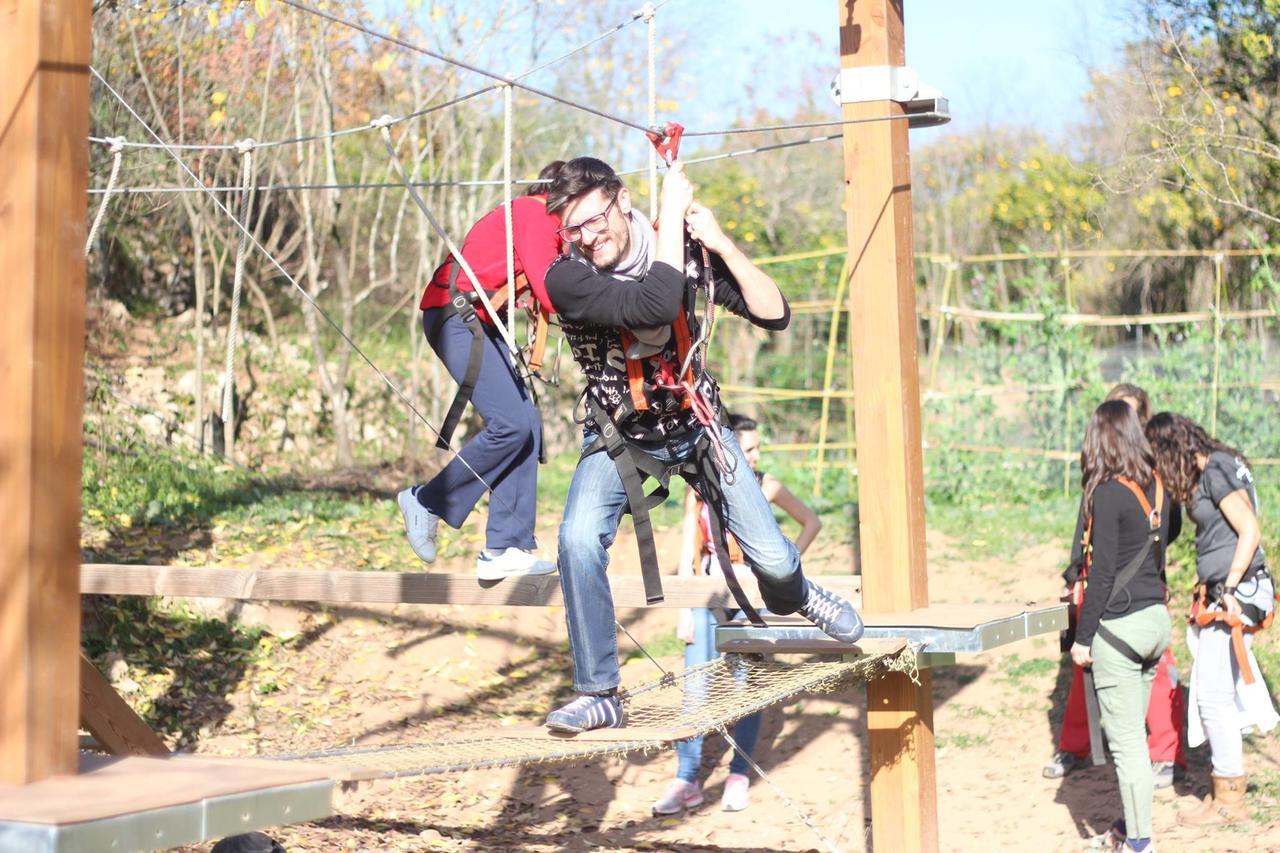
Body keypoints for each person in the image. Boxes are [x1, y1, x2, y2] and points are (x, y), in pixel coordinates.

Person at [538, 156, 862, 733]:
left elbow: (775, 312)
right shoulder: (568, 277)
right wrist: (668, 215)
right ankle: (599, 690)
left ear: (623, 200)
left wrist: (722, 244)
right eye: (575, 229)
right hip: (621, 434)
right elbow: (653, 306)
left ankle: (798, 592)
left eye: (596, 220)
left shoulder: (688, 253)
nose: (589, 238)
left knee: (774, 562)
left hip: (699, 422)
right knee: (576, 538)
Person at [397, 162, 564, 580]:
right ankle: (427, 501)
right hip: (455, 314)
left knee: (526, 423)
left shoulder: (543, 222)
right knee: (509, 423)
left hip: (474, 320)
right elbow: (549, 288)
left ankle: (505, 546)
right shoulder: (535, 211)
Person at [652, 413, 823, 816]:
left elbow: (811, 522)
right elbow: (687, 549)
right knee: (696, 688)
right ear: (723, 449)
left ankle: (738, 775)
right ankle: (686, 778)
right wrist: (684, 608)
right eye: (747, 449)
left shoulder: (766, 486)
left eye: (757, 448)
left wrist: (783, 567)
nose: (755, 455)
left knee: (746, 686)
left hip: (753, 596)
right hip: (708, 593)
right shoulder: (700, 489)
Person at [1046, 383, 1186, 787]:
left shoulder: (1153, 471)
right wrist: (1075, 573)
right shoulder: (1101, 474)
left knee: (1160, 670)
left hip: (1141, 588)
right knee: (1081, 664)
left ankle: (1165, 753)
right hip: (1099, 581)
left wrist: (1143, 557)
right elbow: (1085, 525)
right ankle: (1076, 747)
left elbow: (1169, 525)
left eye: (1128, 412)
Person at [1146, 412, 1276, 826]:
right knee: (1216, 691)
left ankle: (1230, 800)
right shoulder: (1220, 463)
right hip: (1226, 588)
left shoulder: (1217, 468)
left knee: (1213, 695)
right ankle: (1226, 788)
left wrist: (1231, 588)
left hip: (1234, 590)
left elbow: (1249, 530)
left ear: (1171, 449)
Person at [1069, 400, 1180, 853]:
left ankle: (1138, 843)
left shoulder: (1108, 492)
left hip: (1120, 628)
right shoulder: (1156, 483)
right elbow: (1166, 535)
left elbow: (1103, 572)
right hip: (1156, 621)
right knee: (1135, 733)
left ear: (1100, 440)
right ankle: (1127, 826)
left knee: (1129, 745)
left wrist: (1082, 637)